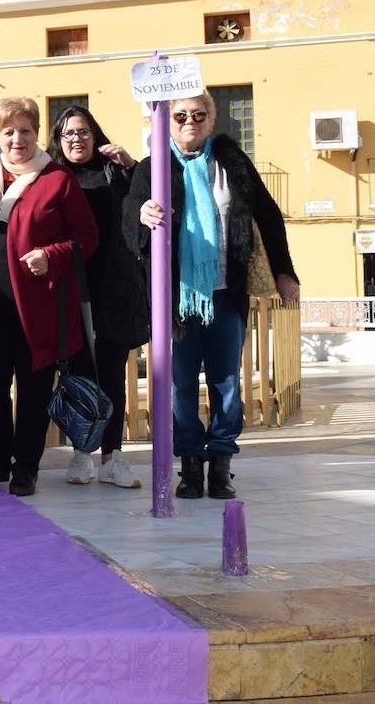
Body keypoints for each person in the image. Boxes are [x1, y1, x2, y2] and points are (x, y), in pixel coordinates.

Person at [128, 90, 299, 500]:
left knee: (226, 382)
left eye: (199, 115)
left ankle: (221, 462)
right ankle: (189, 464)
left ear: (212, 118)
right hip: (177, 298)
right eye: (182, 115)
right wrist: (141, 213)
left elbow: (269, 215)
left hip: (225, 293)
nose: (190, 121)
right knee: (180, 384)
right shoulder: (154, 167)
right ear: (167, 121)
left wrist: (284, 271)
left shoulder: (233, 163)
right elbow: (131, 210)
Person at [0, 97, 98, 497]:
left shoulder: (57, 180)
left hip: (39, 307)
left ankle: (26, 467)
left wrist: (51, 255)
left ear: (37, 133)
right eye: (9, 131)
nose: (17, 139)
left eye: (25, 130)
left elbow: (87, 236)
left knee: (33, 391)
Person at [45, 105, 147, 489]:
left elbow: (148, 199)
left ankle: (113, 457)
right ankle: (80, 455)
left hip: (114, 288)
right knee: (77, 374)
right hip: (70, 289)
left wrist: (131, 164)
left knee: (111, 375)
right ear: (58, 139)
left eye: (84, 132)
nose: (76, 139)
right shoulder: (50, 177)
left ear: (96, 135)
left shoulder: (114, 172)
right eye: (68, 133)